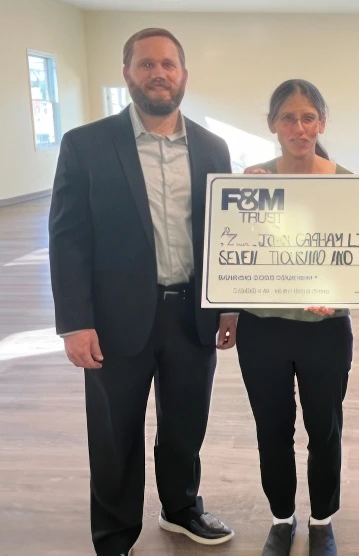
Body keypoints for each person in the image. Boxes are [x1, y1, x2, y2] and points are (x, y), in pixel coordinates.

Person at [48, 28, 237, 556]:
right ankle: (114, 535)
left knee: (185, 424)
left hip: (191, 315)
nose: (159, 73)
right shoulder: (86, 144)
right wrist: (74, 320)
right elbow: (67, 238)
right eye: (147, 64)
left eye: (169, 64)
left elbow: (225, 234)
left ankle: (181, 509)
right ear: (127, 73)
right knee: (115, 435)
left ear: (184, 74)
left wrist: (228, 305)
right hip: (114, 318)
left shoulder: (212, 147)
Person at [237, 79, 353, 556]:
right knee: (272, 427)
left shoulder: (346, 183)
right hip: (262, 328)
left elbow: (357, 255)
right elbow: (236, 254)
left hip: (324, 330)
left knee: (324, 428)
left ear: (321, 123)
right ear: (272, 125)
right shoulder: (251, 182)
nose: (299, 127)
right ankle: (282, 518)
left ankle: (322, 520)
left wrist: (345, 292)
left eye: (308, 118)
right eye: (288, 117)